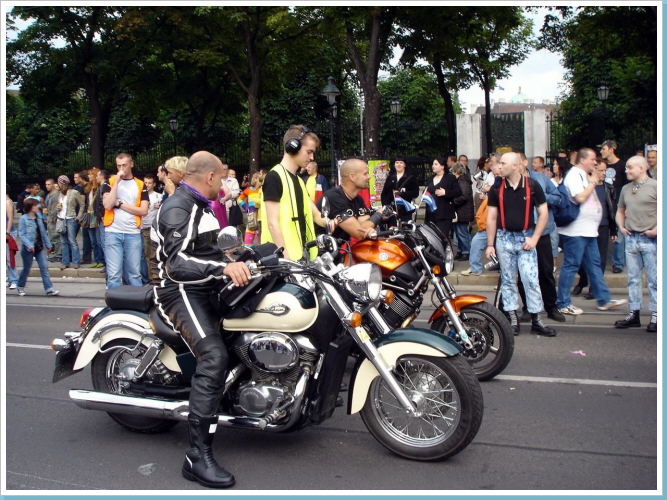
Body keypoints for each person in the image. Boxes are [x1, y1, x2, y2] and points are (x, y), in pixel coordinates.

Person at [152, 151, 251, 489]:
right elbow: (177, 264)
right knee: (214, 355)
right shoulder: (178, 207)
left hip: (205, 286)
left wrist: (248, 255)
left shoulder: (201, 205)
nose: (224, 183)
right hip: (180, 292)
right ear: (210, 177)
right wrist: (224, 267)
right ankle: (196, 456)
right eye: (221, 177)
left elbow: (207, 251)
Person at [485, 152, 556, 337]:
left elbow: (543, 213)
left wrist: (535, 238)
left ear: (516, 166)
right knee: (508, 280)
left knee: (530, 279)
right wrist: (490, 244)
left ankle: (537, 320)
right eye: (499, 163)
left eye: (503, 163)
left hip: (525, 238)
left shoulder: (532, 185)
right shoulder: (496, 188)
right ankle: (512, 319)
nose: (499, 166)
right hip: (504, 238)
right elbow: (491, 217)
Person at [556, 148, 627, 316]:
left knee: (594, 265)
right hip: (576, 231)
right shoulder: (574, 175)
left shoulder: (583, 175)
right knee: (571, 265)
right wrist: (593, 182)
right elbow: (579, 197)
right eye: (593, 159)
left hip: (588, 230)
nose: (595, 162)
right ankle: (563, 302)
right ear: (582, 160)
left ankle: (603, 299)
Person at [259, 125, 329, 261]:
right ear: (293, 147)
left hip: (302, 256)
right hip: (283, 261)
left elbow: (315, 214)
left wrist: (333, 221)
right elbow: (272, 223)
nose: (312, 157)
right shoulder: (274, 177)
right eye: (309, 152)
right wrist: (286, 260)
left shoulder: (299, 181)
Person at [613, 156, 657, 332]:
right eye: (626, 167)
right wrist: (621, 227)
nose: (626, 170)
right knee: (633, 278)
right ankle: (634, 313)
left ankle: (656, 315)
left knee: (654, 280)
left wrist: (657, 230)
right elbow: (620, 210)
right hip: (631, 238)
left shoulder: (655, 186)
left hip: (651, 238)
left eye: (630, 167)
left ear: (641, 168)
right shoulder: (626, 188)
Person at [101, 152, 149, 288]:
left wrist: (120, 204)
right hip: (112, 231)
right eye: (118, 166)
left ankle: (136, 300)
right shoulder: (109, 182)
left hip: (132, 232)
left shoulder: (140, 184)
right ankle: (115, 301)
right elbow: (108, 205)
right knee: (114, 274)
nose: (121, 168)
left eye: (124, 165)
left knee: (134, 274)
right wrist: (116, 182)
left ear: (131, 164)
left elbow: (143, 211)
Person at [572, 159, 617, 299]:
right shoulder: (585, 186)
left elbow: (612, 209)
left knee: (600, 259)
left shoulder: (609, 187)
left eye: (605, 170)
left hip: (602, 226)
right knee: (581, 258)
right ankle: (583, 280)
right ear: (593, 170)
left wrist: (613, 230)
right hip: (585, 226)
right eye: (601, 170)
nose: (604, 173)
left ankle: (595, 288)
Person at [319, 158, 379, 242]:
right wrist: (379, 215)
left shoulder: (358, 199)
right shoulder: (334, 197)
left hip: (339, 248)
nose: (369, 177)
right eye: (365, 174)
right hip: (320, 248)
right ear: (352, 177)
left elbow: (363, 228)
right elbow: (359, 233)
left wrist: (366, 228)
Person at [15, 198, 59, 297]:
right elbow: (21, 234)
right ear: (30, 207)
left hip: (39, 247)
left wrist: (48, 245)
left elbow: (43, 233)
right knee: (26, 269)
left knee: (44, 267)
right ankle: (20, 286)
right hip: (28, 249)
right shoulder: (24, 219)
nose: (37, 207)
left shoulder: (38, 217)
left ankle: (49, 289)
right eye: (35, 205)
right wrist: (29, 245)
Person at [599, 140, 627, 273]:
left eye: (603, 149)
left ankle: (618, 263)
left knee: (619, 236)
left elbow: (627, 186)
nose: (601, 151)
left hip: (618, 205)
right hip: (604, 205)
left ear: (611, 149)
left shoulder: (622, 166)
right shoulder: (600, 166)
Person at [424, 157, 461, 242]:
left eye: (436, 164)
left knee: (441, 238)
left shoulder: (450, 178)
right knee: (431, 239)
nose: (433, 166)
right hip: (431, 214)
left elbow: (458, 192)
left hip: (444, 214)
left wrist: (446, 192)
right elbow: (427, 191)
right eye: (433, 164)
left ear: (442, 166)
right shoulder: (431, 178)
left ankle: (445, 250)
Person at [56, 175, 85, 271]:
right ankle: (65, 262)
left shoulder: (74, 192)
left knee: (72, 241)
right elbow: (59, 206)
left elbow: (82, 204)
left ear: (63, 183)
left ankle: (76, 262)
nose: (58, 185)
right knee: (63, 242)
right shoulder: (60, 194)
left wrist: (79, 216)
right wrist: (58, 208)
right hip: (61, 219)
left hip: (71, 219)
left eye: (59, 183)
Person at [380, 157, 419, 222]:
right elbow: (384, 194)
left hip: (406, 211)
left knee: (405, 227)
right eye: (397, 163)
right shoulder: (390, 177)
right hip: (391, 211)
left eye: (401, 163)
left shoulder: (411, 178)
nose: (399, 164)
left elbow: (416, 193)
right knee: (392, 228)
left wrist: (402, 193)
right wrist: (385, 207)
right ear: (394, 165)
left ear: (404, 165)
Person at [141, 173, 162, 283]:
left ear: (154, 184)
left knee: (151, 254)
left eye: (149, 183)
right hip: (140, 227)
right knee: (143, 254)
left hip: (152, 228)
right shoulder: (139, 195)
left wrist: (160, 206)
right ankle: (147, 278)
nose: (147, 185)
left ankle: (152, 278)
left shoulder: (159, 196)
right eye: (145, 183)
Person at [451, 162, 474, 261]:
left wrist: (454, 201)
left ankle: (466, 252)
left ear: (456, 171)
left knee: (462, 233)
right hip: (461, 211)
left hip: (463, 211)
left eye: (453, 170)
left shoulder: (462, 181)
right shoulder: (462, 180)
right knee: (459, 232)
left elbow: (464, 196)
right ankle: (461, 251)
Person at [83, 168, 105, 269]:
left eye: (91, 174)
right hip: (90, 215)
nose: (89, 176)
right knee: (93, 241)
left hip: (96, 216)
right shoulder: (89, 188)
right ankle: (97, 259)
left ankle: (101, 260)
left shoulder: (99, 188)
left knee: (99, 240)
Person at [238, 172, 263, 245]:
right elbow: (239, 199)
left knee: (261, 237)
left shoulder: (263, 190)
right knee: (248, 238)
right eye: (260, 179)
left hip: (261, 216)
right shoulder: (248, 190)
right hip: (252, 216)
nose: (262, 181)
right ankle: (248, 250)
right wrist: (246, 207)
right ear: (255, 179)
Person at [44, 178, 62, 261]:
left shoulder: (55, 194)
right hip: (50, 218)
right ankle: (57, 254)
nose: (47, 186)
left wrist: (53, 218)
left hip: (53, 219)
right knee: (53, 237)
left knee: (55, 237)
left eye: (49, 184)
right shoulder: (51, 194)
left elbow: (55, 208)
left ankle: (58, 255)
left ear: (53, 185)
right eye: (46, 184)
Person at [6, 194, 19, 289]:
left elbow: (10, 218)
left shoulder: (8, 202)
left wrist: (7, 232)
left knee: (9, 258)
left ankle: (14, 280)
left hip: (8, 232)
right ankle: (10, 279)